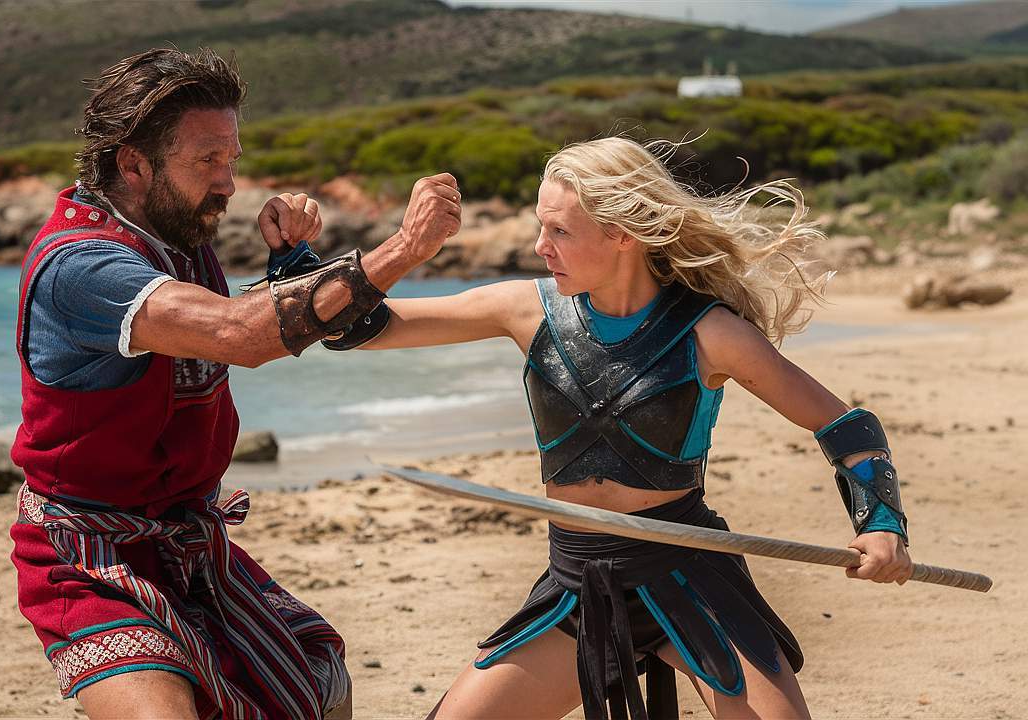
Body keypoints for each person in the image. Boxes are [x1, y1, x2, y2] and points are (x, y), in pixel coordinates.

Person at [328, 137, 913, 719]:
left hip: (687, 575)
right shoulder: (524, 310)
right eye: (541, 227)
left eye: (559, 231)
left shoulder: (712, 333)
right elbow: (354, 329)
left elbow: (846, 427)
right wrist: (344, 257)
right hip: (577, 585)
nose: (539, 246)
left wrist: (882, 526)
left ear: (622, 233)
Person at [7, 47, 461, 719]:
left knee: (322, 685)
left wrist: (291, 261)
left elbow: (253, 320)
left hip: (187, 540)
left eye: (232, 159)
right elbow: (235, 334)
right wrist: (403, 251)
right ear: (133, 164)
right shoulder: (81, 265)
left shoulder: (176, 235)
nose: (229, 183)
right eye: (208, 161)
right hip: (89, 555)